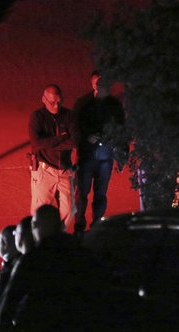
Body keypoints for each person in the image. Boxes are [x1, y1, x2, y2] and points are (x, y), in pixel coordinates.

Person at [73, 71, 127, 236]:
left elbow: (121, 129)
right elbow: (76, 127)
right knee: (82, 192)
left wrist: (122, 154)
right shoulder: (84, 104)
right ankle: (79, 226)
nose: (104, 88)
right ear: (94, 86)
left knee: (100, 194)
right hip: (87, 155)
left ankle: (96, 226)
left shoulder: (114, 105)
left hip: (105, 156)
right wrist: (85, 137)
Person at [28, 84, 78, 232]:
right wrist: (62, 138)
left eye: (59, 102)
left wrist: (50, 144)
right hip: (45, 170)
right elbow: (36, 143)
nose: (56, 106)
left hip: (65, 170)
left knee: (69, 209)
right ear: (44, 99)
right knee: (39, 211)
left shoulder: (69, 115)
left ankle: (56, 235)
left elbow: (75, 141)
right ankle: (39, 239)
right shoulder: (37, 116)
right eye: (52, 102)